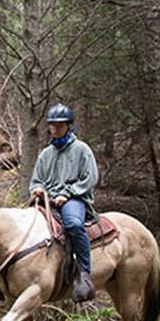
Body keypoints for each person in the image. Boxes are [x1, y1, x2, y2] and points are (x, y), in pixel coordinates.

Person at [29, 103, 100, 303]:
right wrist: (37, 189)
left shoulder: (82, 150)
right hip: (48, 200)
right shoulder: (46, 154)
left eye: (60, 125)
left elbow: (89, 178)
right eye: (52, 125)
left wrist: (68, 193)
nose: (55, 128)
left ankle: (84, 274)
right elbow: (37, 179)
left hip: (74, 199)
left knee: (74, 224)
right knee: (25, 223)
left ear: (69, 125)